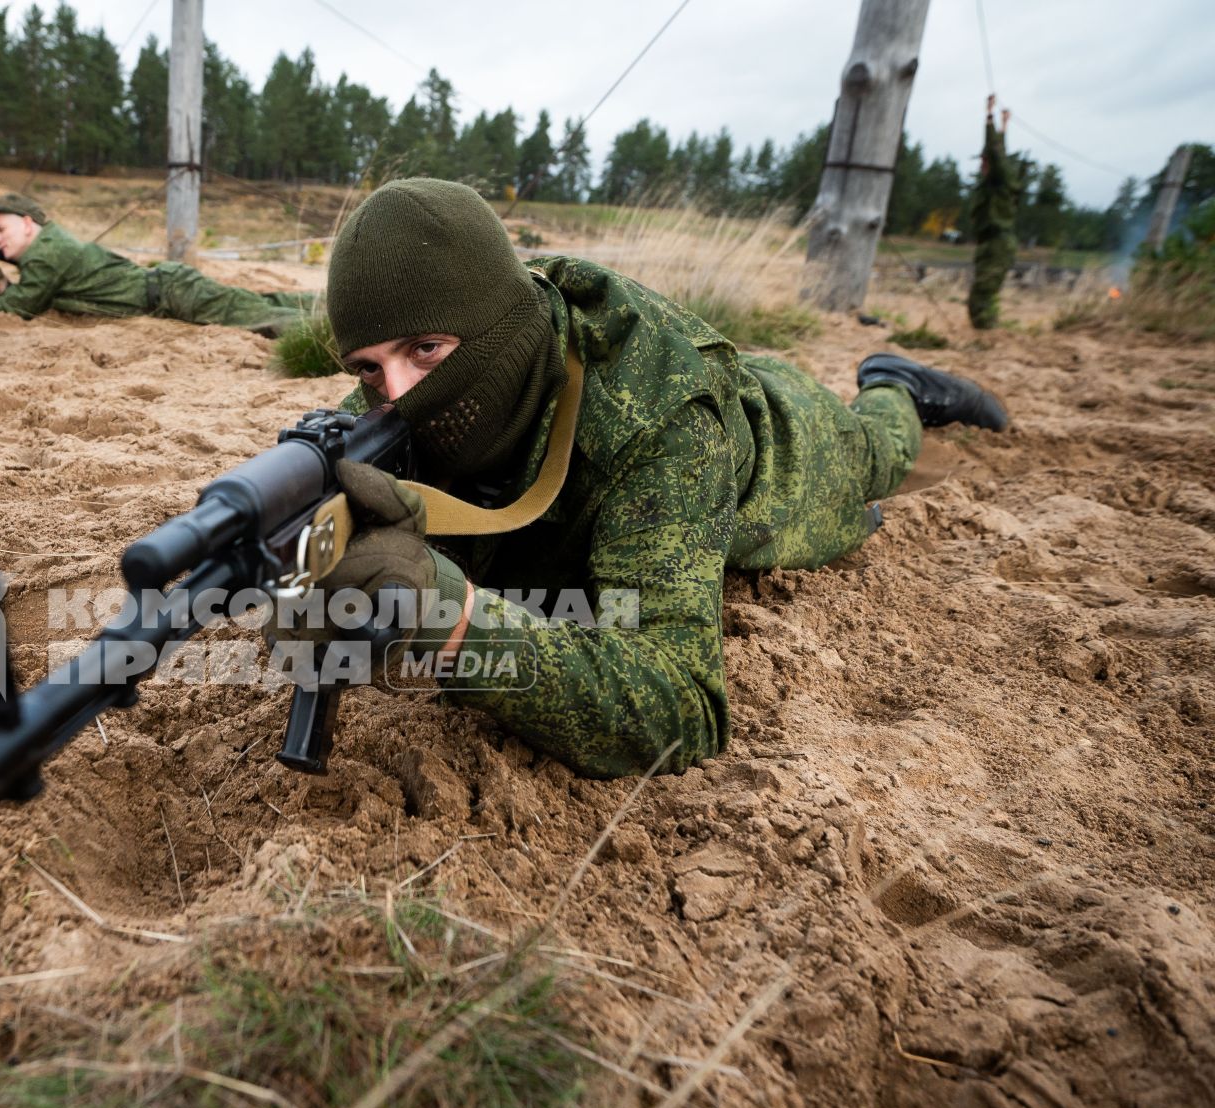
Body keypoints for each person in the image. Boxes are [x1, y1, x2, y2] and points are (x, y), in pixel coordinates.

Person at [277, 178, 1007, 779]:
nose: (398, 393)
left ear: (497, 329)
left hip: (786, 443)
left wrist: (454, 619)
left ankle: (896, 382)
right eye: (368, 367)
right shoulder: (389, 414)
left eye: (426, 349)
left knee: (878, 454)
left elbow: (683, 707)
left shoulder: (662, 420)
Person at [0, 193, 319, 335]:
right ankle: (330, 303)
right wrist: (0, 281)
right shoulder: (48, 249)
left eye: (1, 229)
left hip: (173, 294)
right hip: (170, 291)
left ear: (28, 224)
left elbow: (19, 310)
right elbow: (27, 299)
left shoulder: (47, 252)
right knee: (262, 303)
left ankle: (338, 326)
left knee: (264, 321)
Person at [967, 96, 1024, 329]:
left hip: (999, 243)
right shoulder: (995, 184)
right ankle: (986, 331)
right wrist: (1004, 125)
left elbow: (997, 153)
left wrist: (989, 117)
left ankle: (987, 334)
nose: (982, 165)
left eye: (984, 161)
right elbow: (997, 152)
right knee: (981, 292)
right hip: (990, 243)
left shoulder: (1002, 181)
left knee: (982, 294)